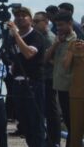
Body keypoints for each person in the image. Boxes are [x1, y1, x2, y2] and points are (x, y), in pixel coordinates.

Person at [7, 6, 45, 147]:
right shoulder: (12, 38)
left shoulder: (36, 36)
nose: (20, 18)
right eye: (17, 16)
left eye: (24, 15)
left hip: (33, 83)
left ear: (31, 19)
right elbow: (11, 57)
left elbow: (29, 54)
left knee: (35, 122)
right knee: (24, 123)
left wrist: (16, 35)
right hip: (18, 84)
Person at [47, 11, 77, 145]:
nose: (58, 28)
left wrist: (69, 48)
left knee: (73, 124)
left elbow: (66, 65)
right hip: (60, 85)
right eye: (56, 25)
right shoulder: (59, 39)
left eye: (61, 25)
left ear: (70, 23)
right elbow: (46, 58)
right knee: (67, 120)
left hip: (71, 88)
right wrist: (56, 44)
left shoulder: (75, 41)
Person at [34, 10, 61, 147]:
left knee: (51, 110)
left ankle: (54, 140)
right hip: (44, 76)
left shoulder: (49, 38)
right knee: (46, 109)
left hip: (49, 77)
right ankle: (49, 138)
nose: (33, 24)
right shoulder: (40, 36)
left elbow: (50, 59)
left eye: (36, 21)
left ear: (46, 22)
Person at [64, 39, 84, 147]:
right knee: (75, 134)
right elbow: (65, 66)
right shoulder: (74, 44)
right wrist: (73, 51)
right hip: (76, 94)